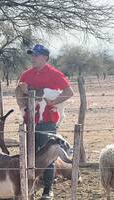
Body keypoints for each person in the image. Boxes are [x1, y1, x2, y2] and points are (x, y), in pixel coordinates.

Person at [17, 44, 73, 199]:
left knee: (48, 155)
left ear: (45, 58)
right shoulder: (26, 75)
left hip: (47, 122)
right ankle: (30, 188)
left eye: (36, 55)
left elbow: (69, 92)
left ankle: (47, 190)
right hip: (30, 122)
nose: (32, 58)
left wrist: (53, 102)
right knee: (30, 155)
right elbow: (19, 92)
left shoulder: (54, 74)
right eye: (32, 55)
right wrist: (23, 107)